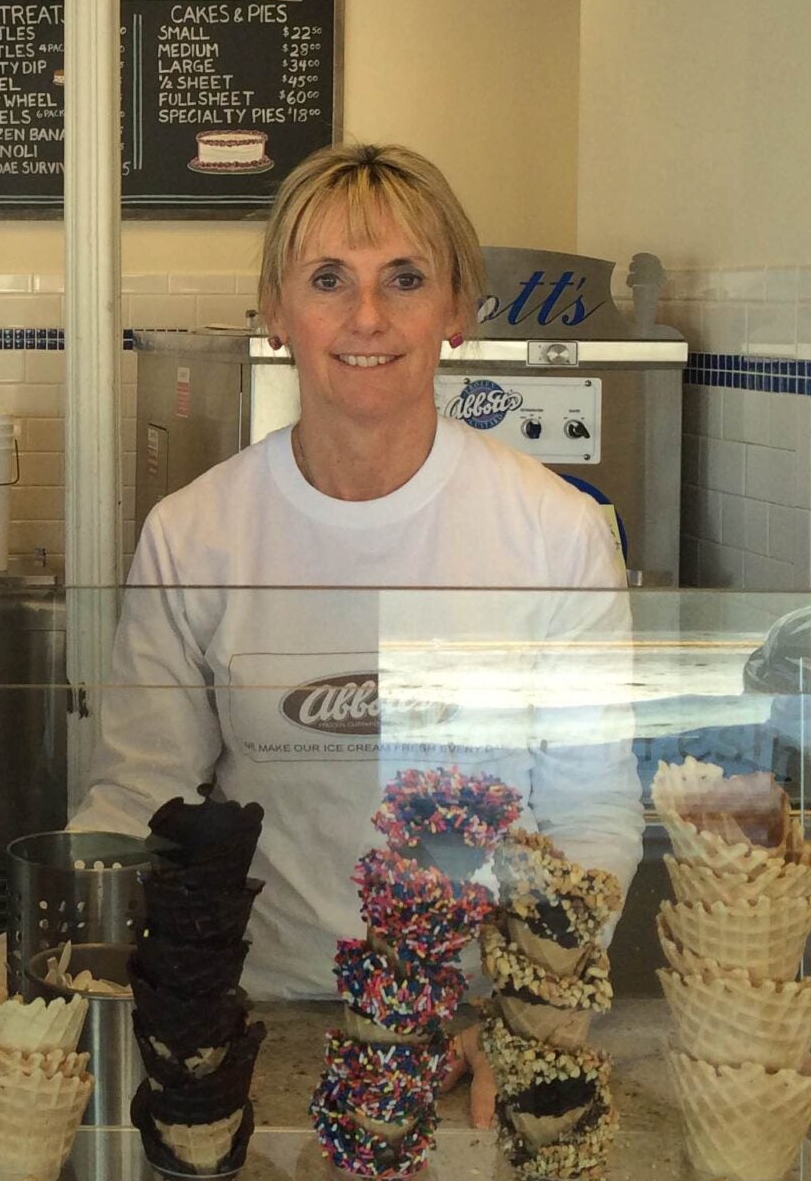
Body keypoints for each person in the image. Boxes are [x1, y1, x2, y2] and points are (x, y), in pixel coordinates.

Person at [71, 141, 641, 1119]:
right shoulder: (195, 532)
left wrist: (532, 1017)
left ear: (455, 309)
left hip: (469, 1031)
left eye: (405, 279)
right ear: (275, 309)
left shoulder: (553, 532)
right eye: (328, 279)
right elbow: (142, 792)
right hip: (256, 1027)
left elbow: (590, 812)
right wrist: (59, 944)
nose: (367, 317)